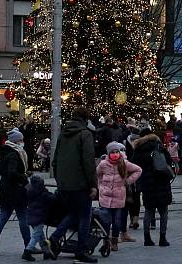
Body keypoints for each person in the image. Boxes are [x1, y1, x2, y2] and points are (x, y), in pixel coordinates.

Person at [49, 107, 99, 263]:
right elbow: (88, 162)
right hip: (80, 183)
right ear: (86, 119)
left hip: (64, 184)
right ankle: (81, 250)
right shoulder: (85, 134)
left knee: (74, 213)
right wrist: (93, 184)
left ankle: (54, 239)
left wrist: (59, 180)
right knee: (85, 216)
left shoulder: (63, 134)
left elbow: (55, 160)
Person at [0, 129, 30, 258]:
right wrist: (23, 177)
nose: (22, 142)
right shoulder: (14, 154)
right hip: (16, 190)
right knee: (23, 217)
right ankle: (29, 245)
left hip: (5, 189)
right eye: (21, 140)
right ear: (16, 141)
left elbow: (0, 169)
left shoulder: (6, 151)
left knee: (3, 216)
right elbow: (12, 172)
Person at [131, 126, 172, 247]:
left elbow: (133, 165)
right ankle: (162, 238)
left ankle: (147, 238)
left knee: (149, 210)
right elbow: (168, 161)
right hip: (162, 181)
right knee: (163, 211)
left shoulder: (138, 149)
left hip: (147, 183)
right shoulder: (159, 146)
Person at [96, 141, 142, 251]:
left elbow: (138, 170)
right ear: (108, 153)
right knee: (106, 221)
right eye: (112, 152)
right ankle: (106, 242)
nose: (115, 154)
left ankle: (115, 241)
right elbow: (97, 175)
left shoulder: (124, 163)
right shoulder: (103, 164)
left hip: (118, 198)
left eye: (117, 151)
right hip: (105, 198)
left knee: (117, 222)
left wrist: (128, 181)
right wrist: (100, 187)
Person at [25, 174, 56, 260]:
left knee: (40, 235)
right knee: (35, 236)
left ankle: (46, 251)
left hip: (31, 216)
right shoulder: (43, 193)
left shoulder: (30, 191)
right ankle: (27, 251)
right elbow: (53, 198)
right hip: (39, 218)